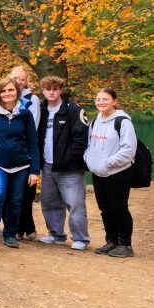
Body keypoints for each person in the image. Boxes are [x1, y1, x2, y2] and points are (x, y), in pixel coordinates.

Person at [0, 77, 40, 253]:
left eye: (10, 90)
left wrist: (34, 170)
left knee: (16, 200)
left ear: (17, 92)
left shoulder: (25, 114)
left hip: (21, 165)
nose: (7, 94)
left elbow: (33, 143)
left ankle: (10, 234)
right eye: (3, 91)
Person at [36, 76, 90, 250]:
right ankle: (56, 234)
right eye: (48, 89)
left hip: (70, 168)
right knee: (50, 202)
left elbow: (81, 138)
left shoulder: (73, 110)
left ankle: (80, 238)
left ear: (60, 90)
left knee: (75, 204)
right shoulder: (41, 111)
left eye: (55, 89)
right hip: (48, 166)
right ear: (43, 91)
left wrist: (69, 158)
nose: (51, 92)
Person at [84, 88, 138, 258]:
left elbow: (129, 149)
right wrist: (89, 159)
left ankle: (125, 245)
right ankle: (112, 241)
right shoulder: (95, 121)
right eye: (98, 99)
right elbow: (90, 144)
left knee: (119, 208)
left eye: (105, 99)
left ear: (114, 101)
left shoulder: (122, 122)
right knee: (105, 208)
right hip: (98, 172)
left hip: (118, 172)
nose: (100, 102)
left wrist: (109, 163)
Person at [10, 64, 41, 239]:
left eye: (22, 79)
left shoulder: (32, 99)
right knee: (10, 191)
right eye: (16, 78)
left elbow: (33, 126)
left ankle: (26, 226)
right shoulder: (5, 96)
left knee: (26, 190)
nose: (19, 82)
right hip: (8, 151)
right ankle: (17, 227)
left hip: (25, 148)